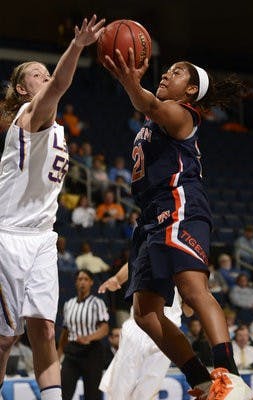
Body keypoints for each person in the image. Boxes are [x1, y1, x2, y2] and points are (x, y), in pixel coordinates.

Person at [103, 49, 253, 398]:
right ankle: (200, 381)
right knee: (144, 313)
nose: (167, 74)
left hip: (180, 204)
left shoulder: (182, 114)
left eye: (177, 72)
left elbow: (150, 105)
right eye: (168, 70)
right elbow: (147, 108)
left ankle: (229, 375)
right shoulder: (155, 119)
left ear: (190, 91)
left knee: (192, 288)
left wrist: (130, 81)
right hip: (149, 217)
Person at [0, 15, 105, 400]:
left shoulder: (57, 128)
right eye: (37, 75)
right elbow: (62, 83)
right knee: (5, 339)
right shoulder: (30, 117)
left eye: (46, 72)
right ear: (23, 90)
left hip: (43, 238)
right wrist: (77, 46)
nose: (45, 77)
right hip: (8, 237)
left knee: (44, 330)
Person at [98, 262, 184, 400]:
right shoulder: (152, 245)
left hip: (168, 328)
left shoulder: (185, 257)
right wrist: (117, 279)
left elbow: (190, 309)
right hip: (140, 324)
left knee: (149, 387)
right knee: (122, 385)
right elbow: (135, 259)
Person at [57, 269, 109, 400]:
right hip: (72, 351)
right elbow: (65, 332)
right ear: (75, 282)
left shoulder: (97, 303)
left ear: (91, 282)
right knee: (64, 391)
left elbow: (105, 328)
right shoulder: (68, 304)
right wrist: (58, 356)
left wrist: (89, 338)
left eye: (86, 279)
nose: (82, 282)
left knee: (92, 395)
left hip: (91, 352)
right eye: (80, 279)